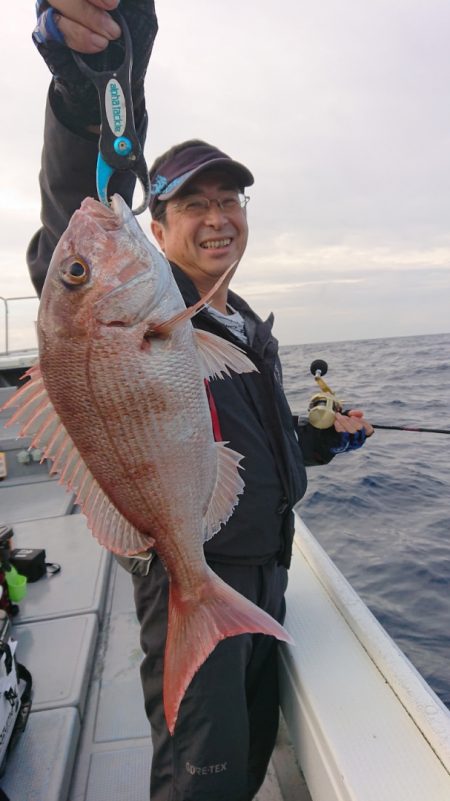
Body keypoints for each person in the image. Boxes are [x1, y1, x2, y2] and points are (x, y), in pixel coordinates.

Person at [29, 2, 374, 800]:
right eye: (195, 205)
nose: (219, 219)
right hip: (193, 566)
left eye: (232, 202)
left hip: (260, 570)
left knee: (248, 762)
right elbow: (67, 231)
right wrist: (87, 96)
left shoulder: (236, 320)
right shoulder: (148, 307)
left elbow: (241, 433)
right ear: (155, 221)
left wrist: (316, 441)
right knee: (201, 782)